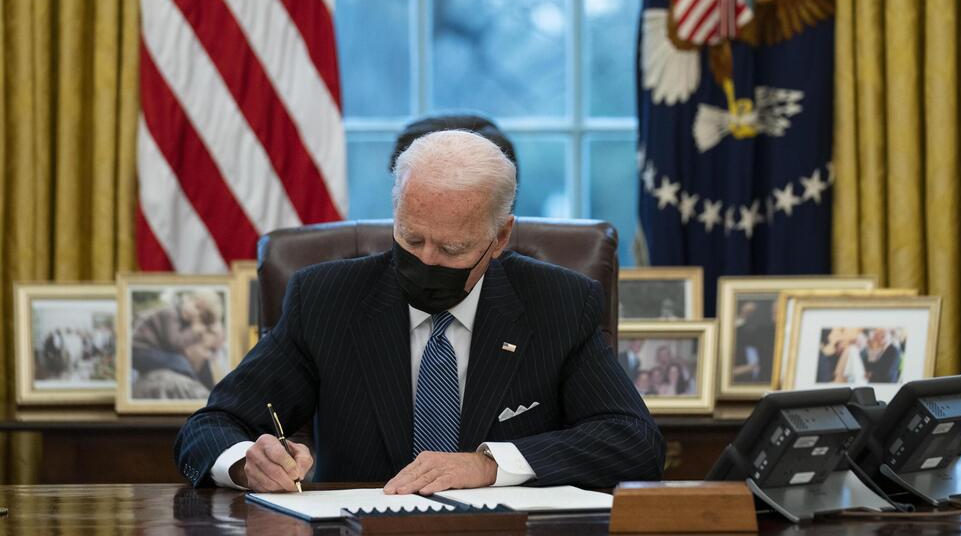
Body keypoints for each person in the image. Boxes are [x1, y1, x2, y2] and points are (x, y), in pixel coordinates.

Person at [174, 129, 665, 494]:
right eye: (411, 238)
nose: (426, 260)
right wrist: (245, 462)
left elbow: (634, 442)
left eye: (452, 248)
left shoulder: (559, 304)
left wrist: (490, 465)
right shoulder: (326, 299)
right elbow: (210, 425)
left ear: (500, 238)